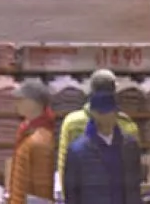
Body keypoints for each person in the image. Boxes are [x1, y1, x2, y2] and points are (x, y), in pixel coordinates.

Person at [56, 69, 144, 204]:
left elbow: (135, 184)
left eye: (110, 112)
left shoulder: (129, 144)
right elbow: (70, 188)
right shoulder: (77, 149)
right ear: (94, 114)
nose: (107, 117)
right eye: (102, 112)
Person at [3, 77, 57, 204]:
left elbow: (42, 187)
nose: (16, 103)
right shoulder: (27, 129)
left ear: (34, 103)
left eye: (21, 100)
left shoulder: (40, 140)